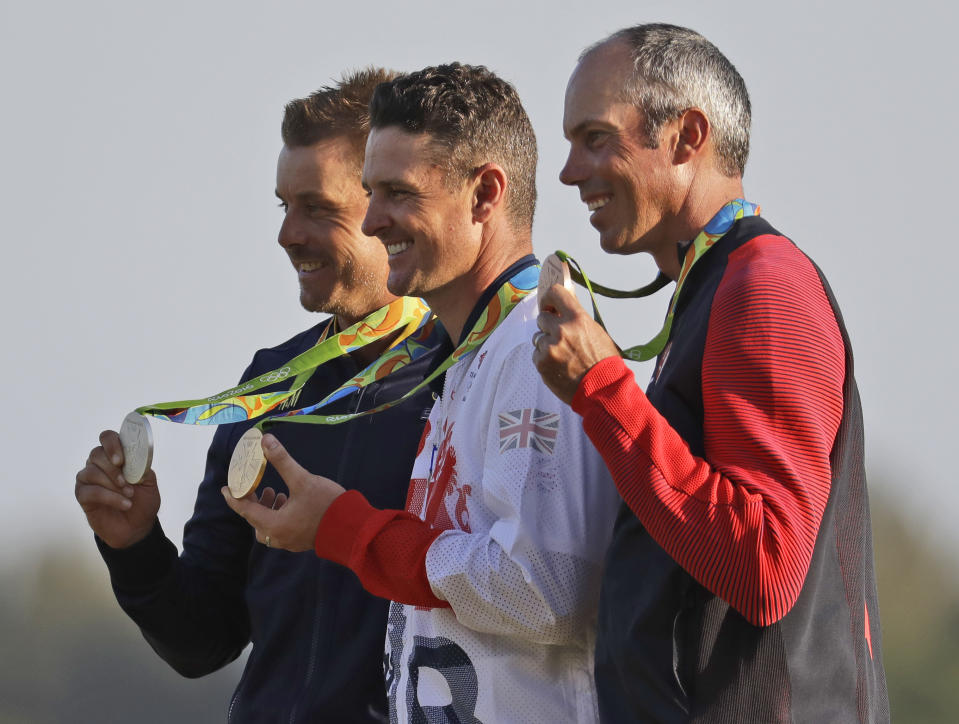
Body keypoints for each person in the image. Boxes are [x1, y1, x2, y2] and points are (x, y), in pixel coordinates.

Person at [224, 63, 621, 723]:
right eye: (368, 192)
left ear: (484, 194)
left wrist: (347, 529)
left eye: (396, 193)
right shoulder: (469, 352)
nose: (374, 221)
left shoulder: (536, 345)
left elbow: (544, 590)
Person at [532, 23, 889, 723]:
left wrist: (601, 390)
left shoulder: (765, 286)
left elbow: (764, 568)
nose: (569, 171)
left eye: (595, 137)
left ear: (686, 137)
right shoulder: (715, 285)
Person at [74, 68, 442, 723]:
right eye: (283, 206)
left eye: (318, 208)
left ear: (391, 207)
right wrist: (135, 547)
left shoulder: (469, 374)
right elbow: (203, 640)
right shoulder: (272, 381)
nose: (287, 234)